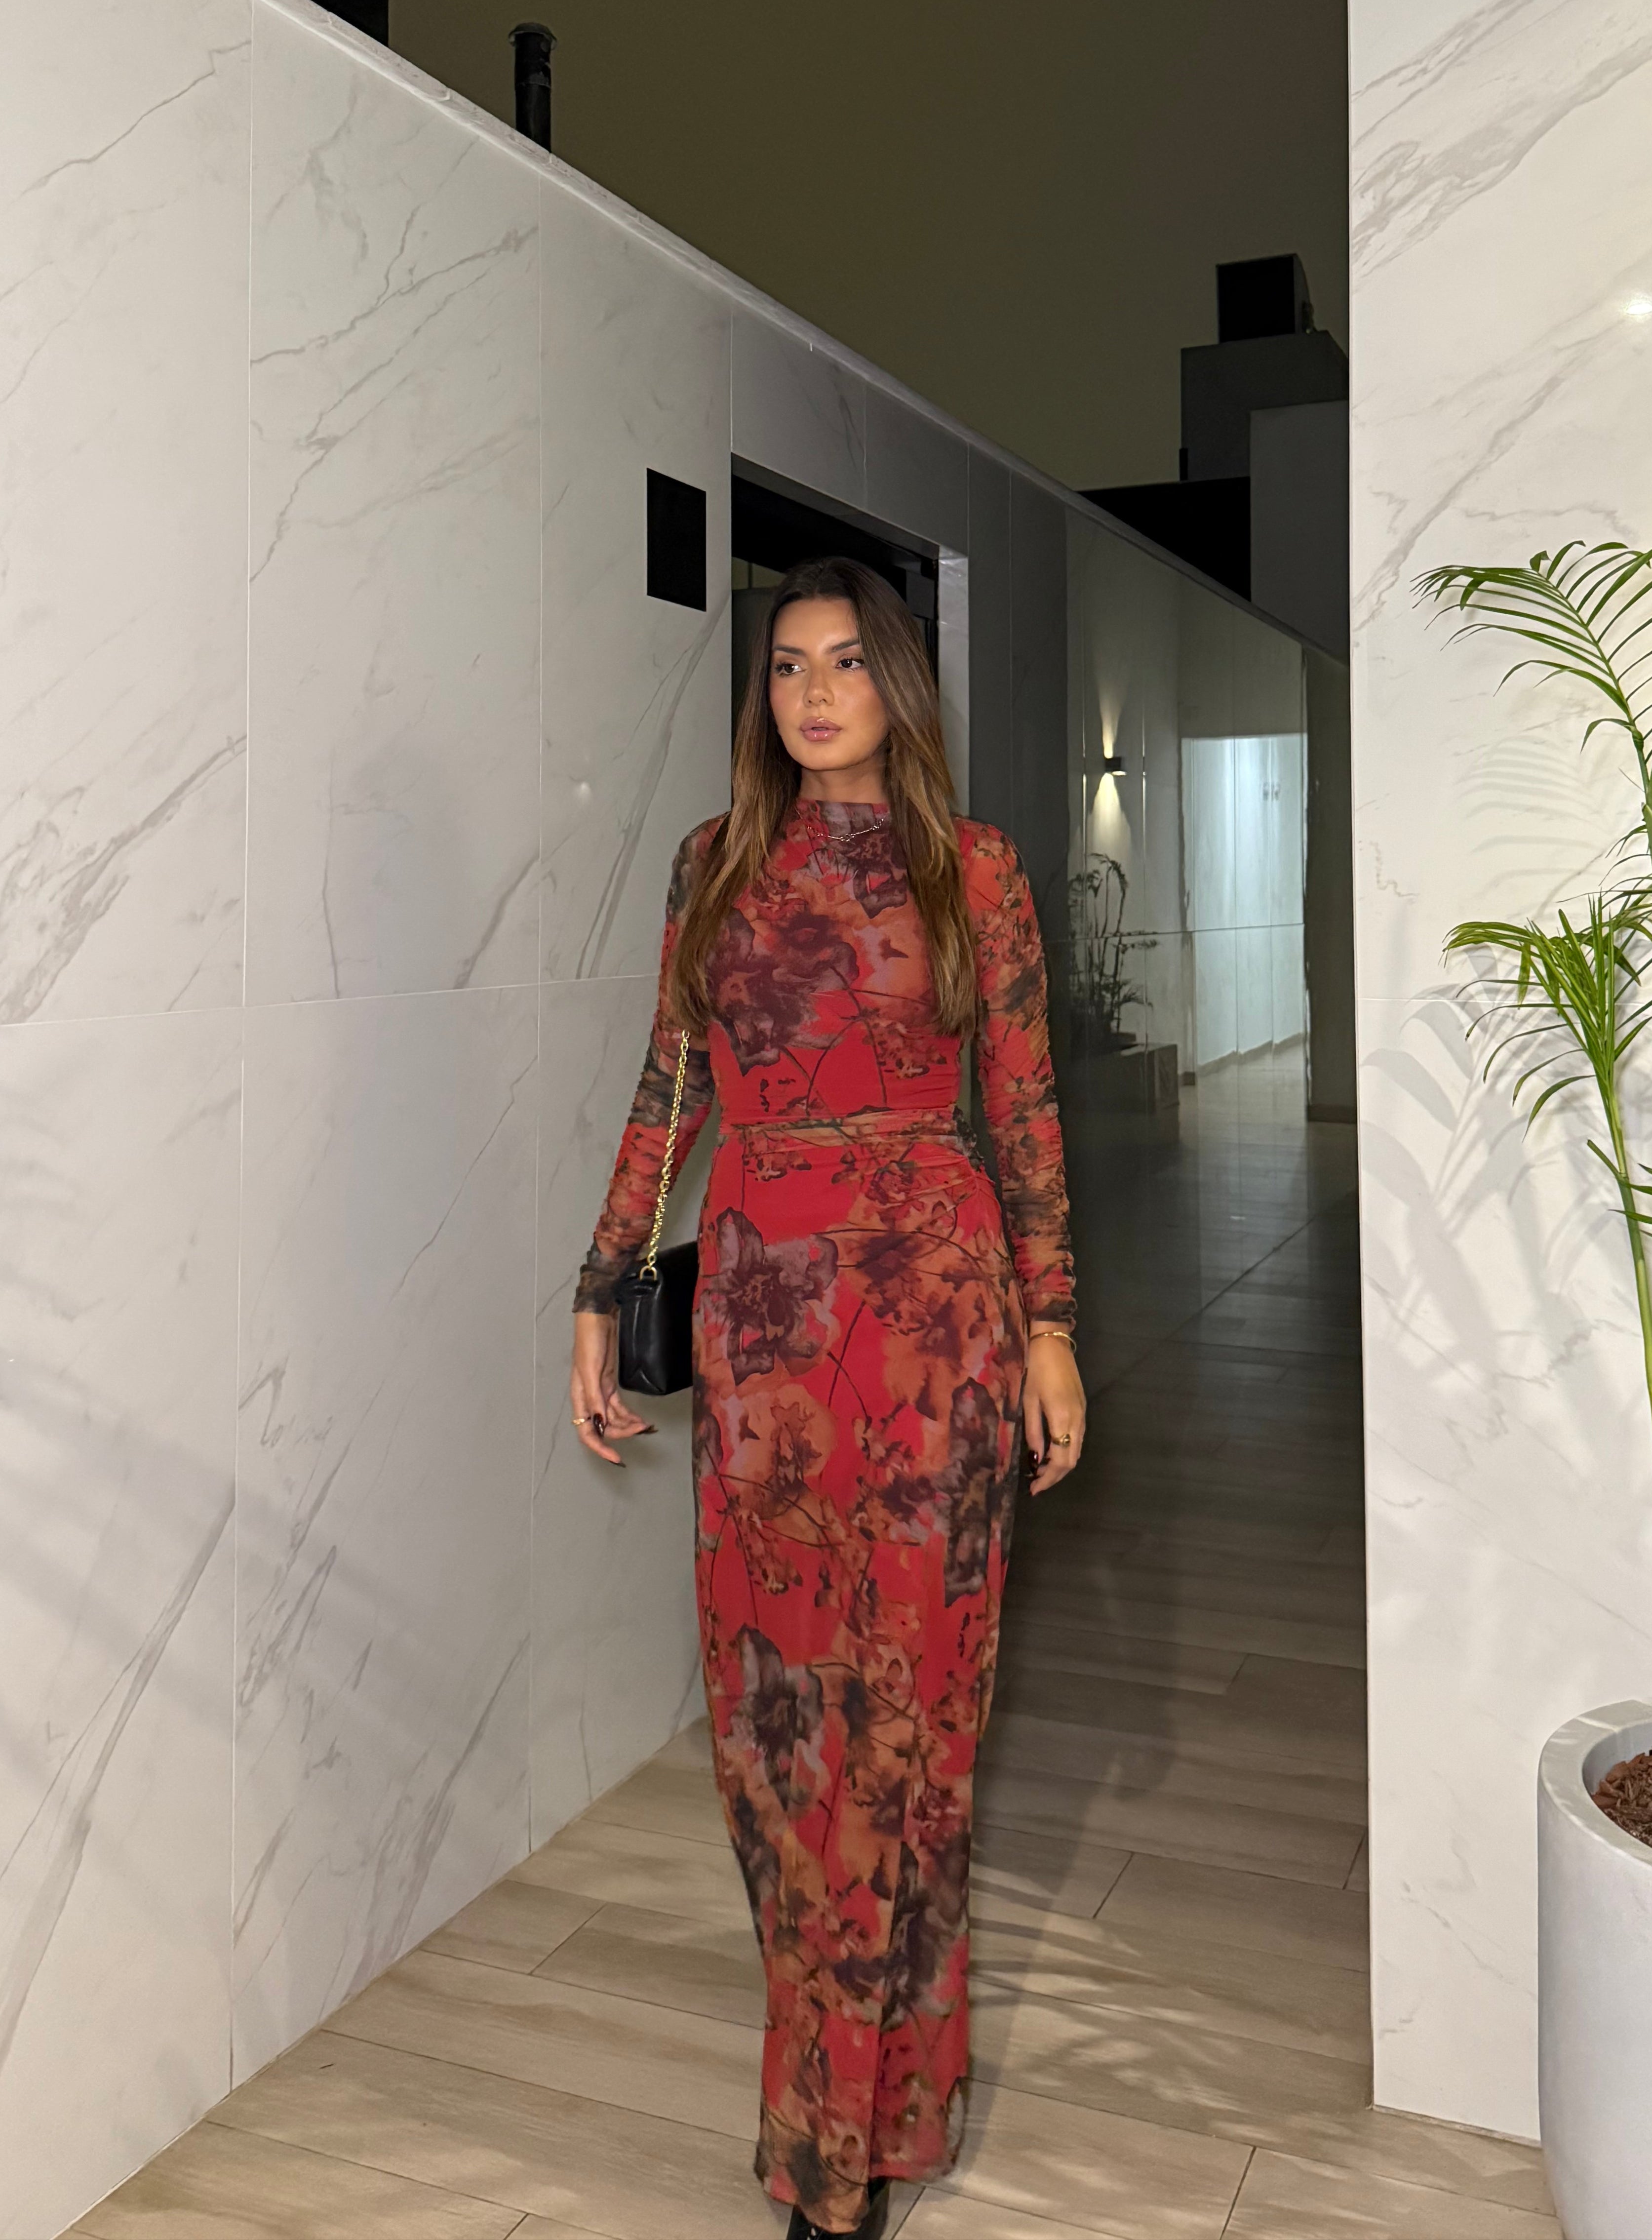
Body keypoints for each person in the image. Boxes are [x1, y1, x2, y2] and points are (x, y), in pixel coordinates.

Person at [571, 556, 1083, 2239]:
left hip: (935, 1328)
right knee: (777, 1730)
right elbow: (668, 1089)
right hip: (763, 1336)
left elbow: (1022, 1107)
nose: (810, 693)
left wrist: (1053, 1326)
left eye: (846, 662)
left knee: (914, 1724)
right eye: (785, 666)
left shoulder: (972, 871)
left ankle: (850, 2145)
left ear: (898, 688)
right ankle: (851, 2102)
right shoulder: (714, 865)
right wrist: (599, 1285)